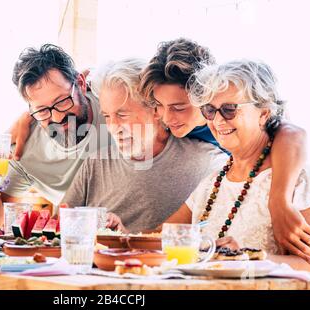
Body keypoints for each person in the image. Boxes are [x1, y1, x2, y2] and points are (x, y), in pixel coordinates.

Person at [138, 38, 310, 264]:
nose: (218, 120)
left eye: (229, 109)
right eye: (209, 110)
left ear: (264, 113)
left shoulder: (300, 181)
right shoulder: (212, 183)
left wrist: (246, 259)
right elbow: (163, 238)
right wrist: (113, 236)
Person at [62, 58, 227, 233]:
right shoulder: (96, 163)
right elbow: (57, 232)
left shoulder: (209, 163)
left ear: (156, 109)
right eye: (107, 116)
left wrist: (123, 240)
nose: (112, 127)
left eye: (122, 115)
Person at [0, 44, 111, 228]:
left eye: (62, 101)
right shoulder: (23, 147)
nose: (57, 117)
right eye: (42, 110)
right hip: (75, 240)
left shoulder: (111, 105)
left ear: (81, 84)